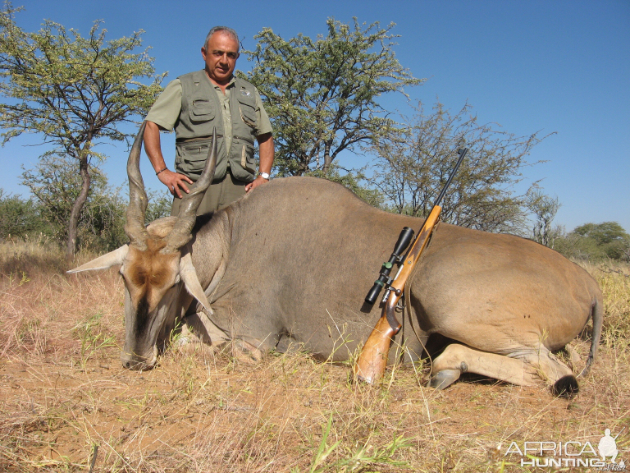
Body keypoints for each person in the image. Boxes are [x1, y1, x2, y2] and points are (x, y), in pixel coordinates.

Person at [144, 26, 274, 215]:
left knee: (241, 243)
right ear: (204, 54)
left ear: (237, 57)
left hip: (240, 189)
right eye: (218, 53)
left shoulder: (249, 91)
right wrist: (162, 171)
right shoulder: (183, 85)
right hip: (195, 187)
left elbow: (266, 136)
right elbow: (151, 125)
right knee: (186, 242)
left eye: (231, 55)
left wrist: (264, 176)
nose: (224, 61)